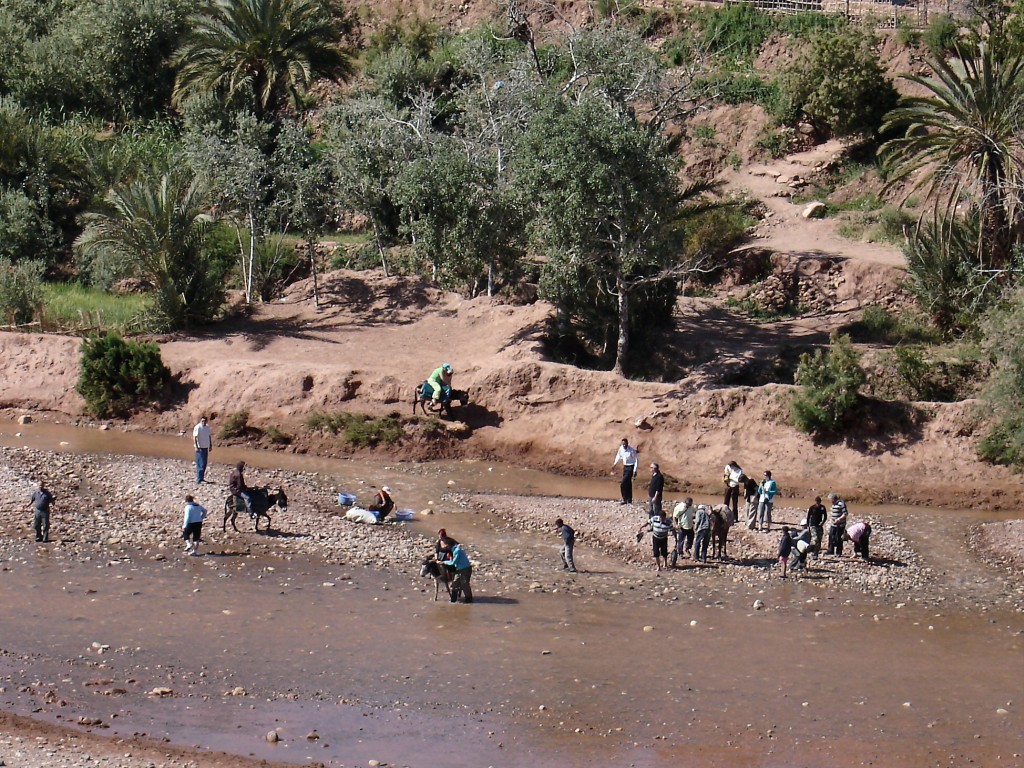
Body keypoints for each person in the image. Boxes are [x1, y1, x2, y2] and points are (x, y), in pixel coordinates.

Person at [613, 438, 639, 504]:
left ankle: (625, 499)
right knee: (628, 483)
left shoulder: (631, 450)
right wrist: (615, 464)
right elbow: (619, 456)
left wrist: (635, 470)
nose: (624, 445)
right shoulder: (621, 449)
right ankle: (629, 499)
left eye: (625, 444)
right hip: (625, 467)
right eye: (623, 444)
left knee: (623, 483)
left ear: (627, 443)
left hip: (630, 467)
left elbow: (636, 460)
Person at [672, 497, 695, 565]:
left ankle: (687, 549)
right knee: (681, 540)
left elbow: (695, 511)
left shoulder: (691, 507)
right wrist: (676, 524)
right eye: (689, 504)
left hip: (690, 526)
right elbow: (674, 516)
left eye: (690, 504)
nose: (690, 505)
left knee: (691, 538)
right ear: (686, 503)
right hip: (682, 526)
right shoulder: (680, 508)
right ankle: (680, 552)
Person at [192, 415, 212, 485]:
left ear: (206, 421)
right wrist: (196, 447)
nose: (203, 422)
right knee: (200, 463)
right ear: (200, 421)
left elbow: (209, 436)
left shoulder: (207, 427)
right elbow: (194, 437)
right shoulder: (198, 427)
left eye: (204, 421)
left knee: (204, 463)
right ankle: (198, 479)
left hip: (205, 447)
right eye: (202, 421)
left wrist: (210, 445)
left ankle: (202, 478)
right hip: (199, 448)